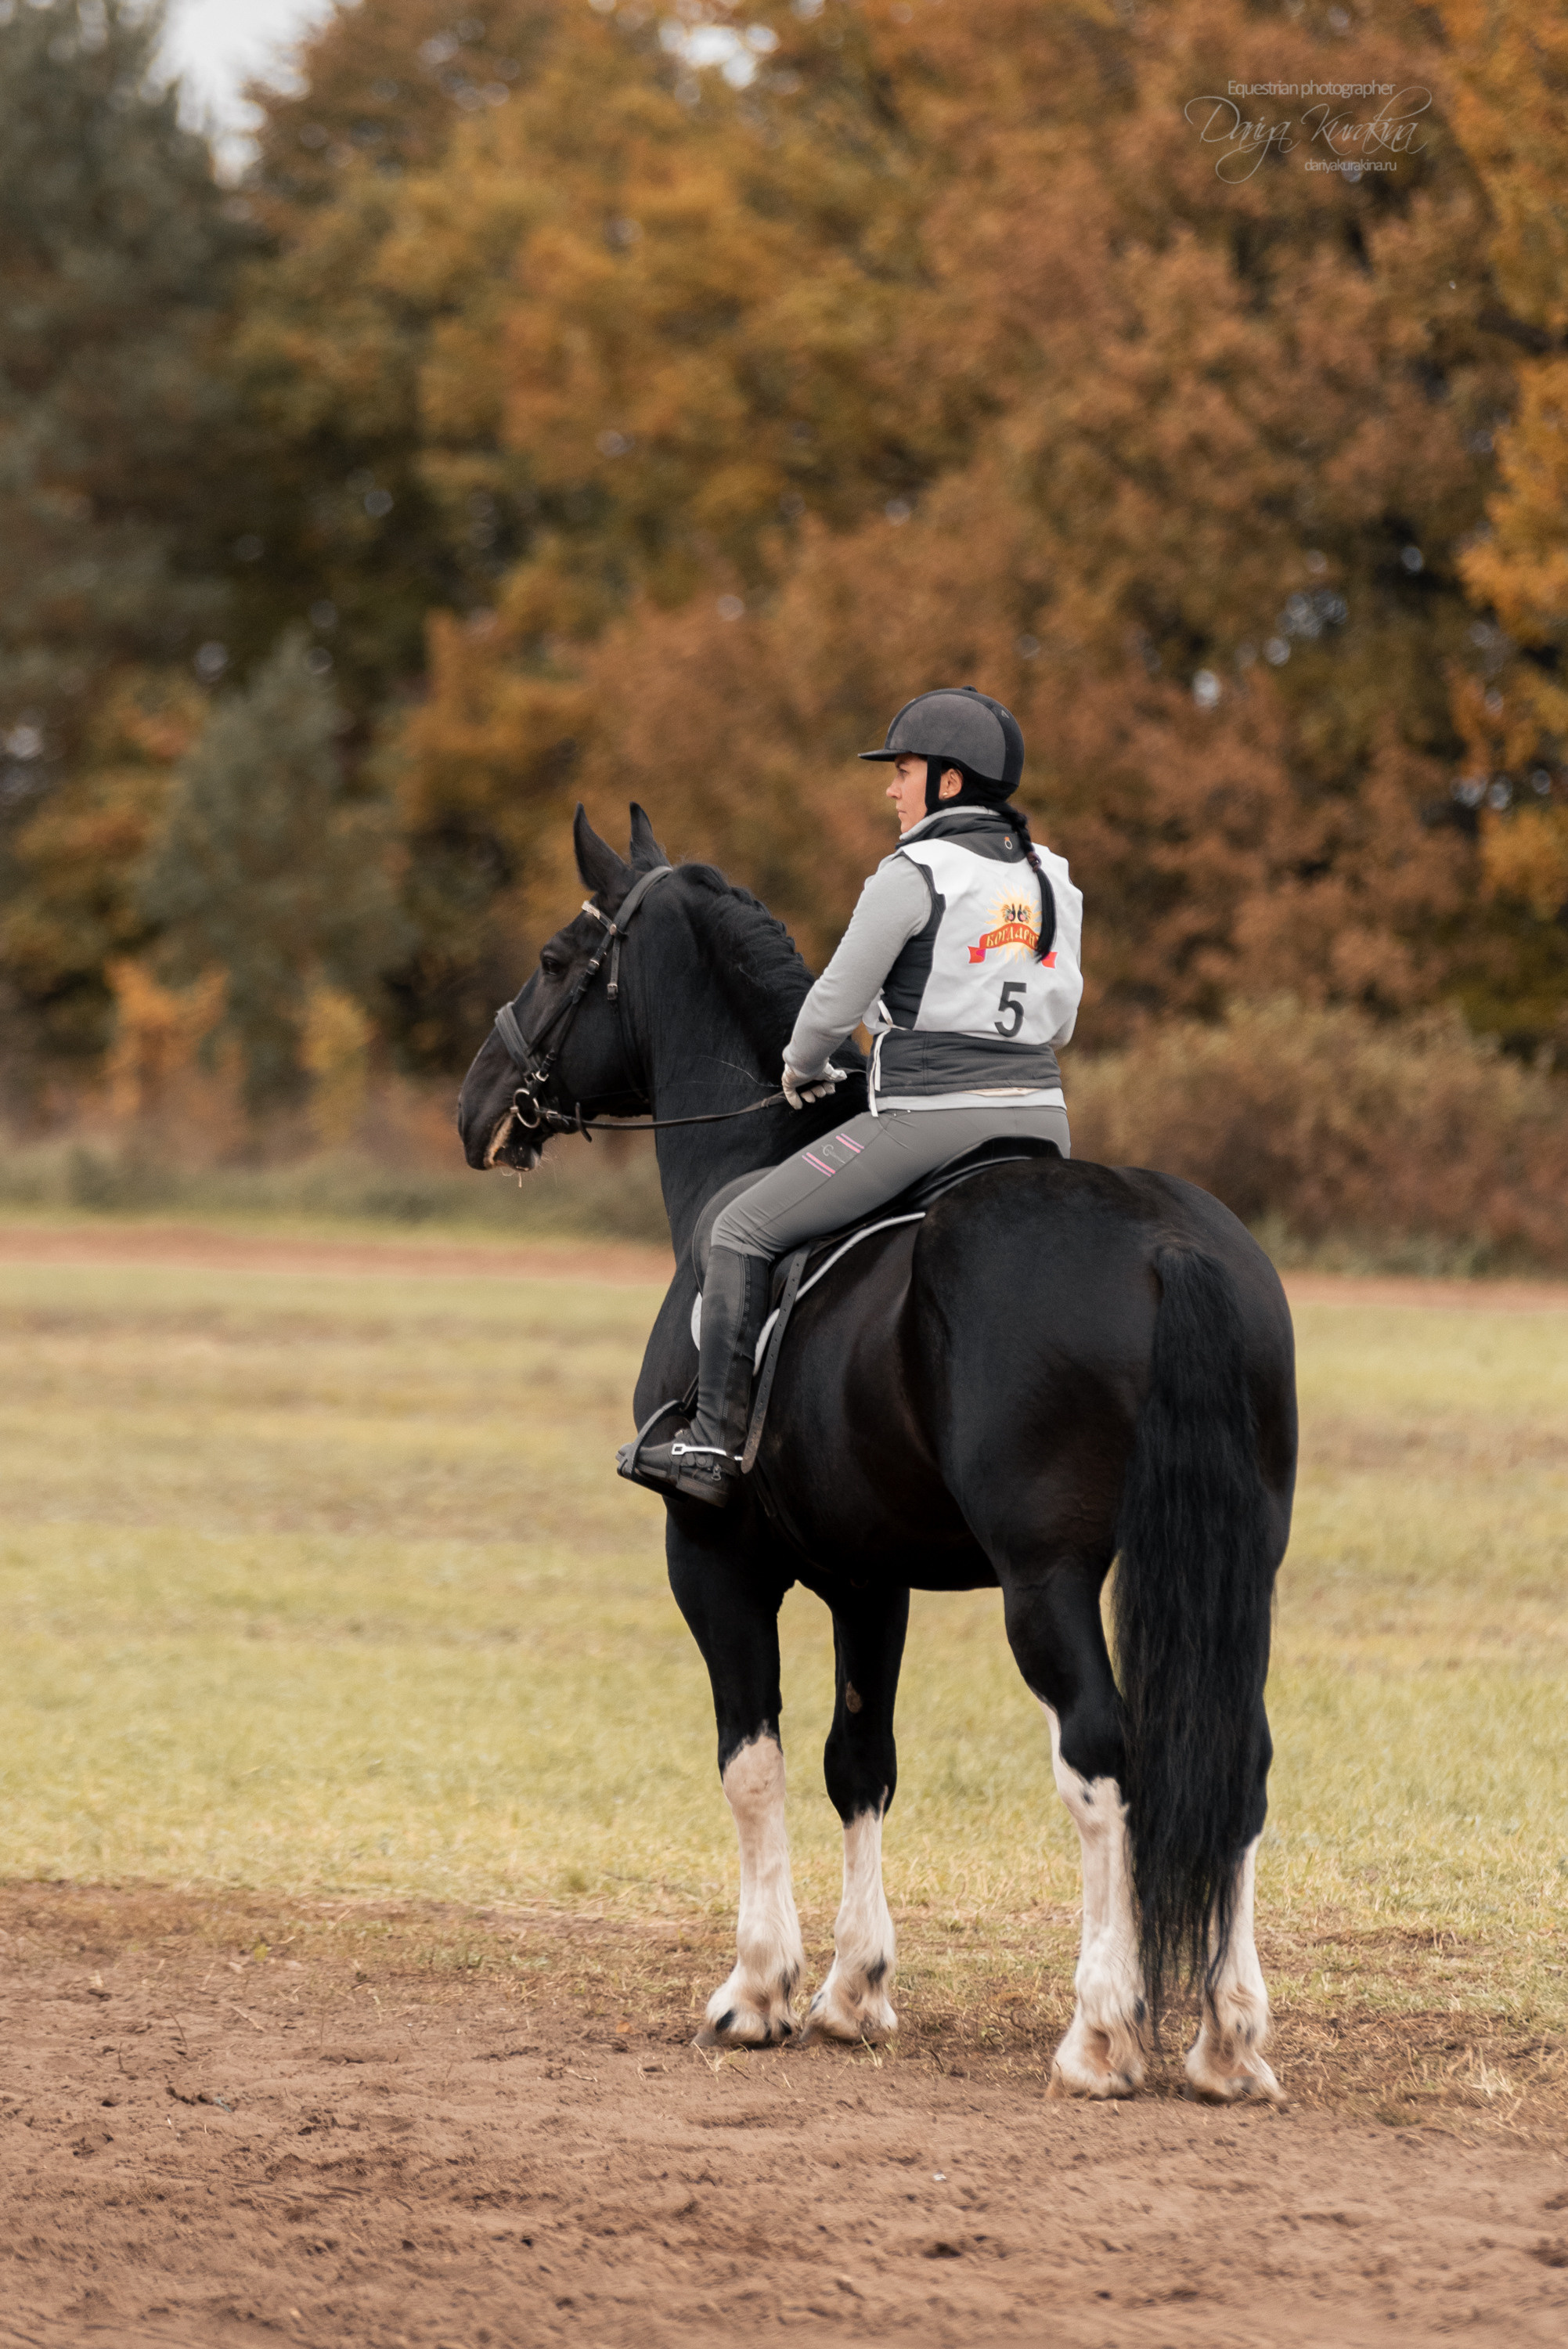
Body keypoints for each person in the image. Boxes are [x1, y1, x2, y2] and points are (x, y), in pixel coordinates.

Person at [626, 686, 1083, 1506]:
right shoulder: (1052, 878)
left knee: (736, 1229)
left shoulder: (914, 872)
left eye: (903, 771)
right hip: (1045, 1125)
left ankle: (712, 1444)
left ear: (948, 781)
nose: (890, 787)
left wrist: (800, 1066)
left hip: (929, 1121)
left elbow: (830, 1008)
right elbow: (1065, 1020)